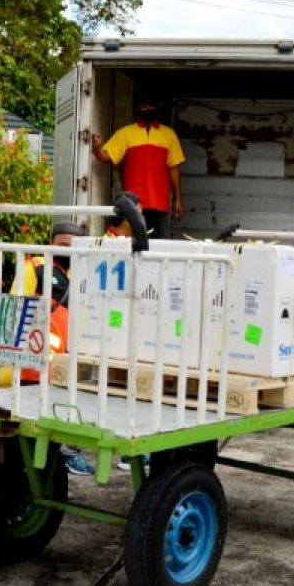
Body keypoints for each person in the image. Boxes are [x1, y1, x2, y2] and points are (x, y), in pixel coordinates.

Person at [12, 220, 94, 476]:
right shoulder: (34, 268)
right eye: (62, 245)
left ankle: (63, 458)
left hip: (65, 364)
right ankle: (24, 468)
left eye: (73, 246)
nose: (68, 250)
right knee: (30, 422)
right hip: (34, 363)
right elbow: (15, 309)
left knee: (65, 415)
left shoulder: (81, 275)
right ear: (51, 244)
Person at [91, 96, 184, 239]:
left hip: (161, 204)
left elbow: (174, 168)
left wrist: (178, 199)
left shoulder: (169, 135)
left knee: (160, 248)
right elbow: (107, 157)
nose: (147, 109)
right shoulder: (125, 133)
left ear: (157, 108)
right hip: (133, 205)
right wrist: (96, 149)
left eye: (151, 106)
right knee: (133, 247)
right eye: (144, 106)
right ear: (138, 107)